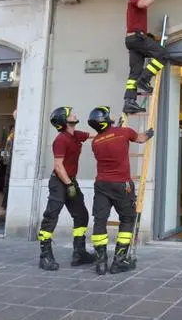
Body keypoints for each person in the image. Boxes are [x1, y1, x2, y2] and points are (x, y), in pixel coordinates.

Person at [87, 106, 154, 275]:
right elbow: (140, 139)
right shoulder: (124, 132)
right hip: (122, 185)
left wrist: (114, 128)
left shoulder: (95, 142)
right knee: (127, 218)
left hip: (102, 185)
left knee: (100, 221)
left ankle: (101, 262)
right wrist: (150, 132)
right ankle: (119, 260)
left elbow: (109, 138)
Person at [37, 106, 97, 271]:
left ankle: (79, 253)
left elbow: (95, 134)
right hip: (59, 182)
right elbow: (58, 166)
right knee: (51, 216)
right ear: (64, 120)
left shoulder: (75, 135)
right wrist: (68, 184)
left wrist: (112, 129)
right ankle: (45, 256)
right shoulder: (60, 140)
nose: (74, 113)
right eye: (70, 113)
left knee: (81, 215)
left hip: (70, 181)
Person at [123, 0, 169, 115]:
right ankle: (144, 79)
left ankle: (129, 102)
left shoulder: (135, 0)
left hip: (133, 40)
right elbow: (144, 4)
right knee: (163, 54)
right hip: (137, 38)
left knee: (134, 73)